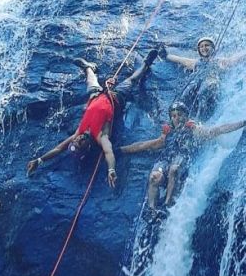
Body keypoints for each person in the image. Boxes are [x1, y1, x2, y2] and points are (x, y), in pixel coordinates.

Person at [26, 49, 159, 188]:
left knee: (91, 82)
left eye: (76, 142)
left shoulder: (79, 133)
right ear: (87, 147)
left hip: (95, 97)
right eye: (80, 144)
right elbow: (109, 153)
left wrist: (39, 160)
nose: (78, 140)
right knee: (131, 80)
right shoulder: (101, 137)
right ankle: (146, 64)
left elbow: (59, 149)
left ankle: (89, 67)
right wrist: (111, 170)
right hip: (115, 98)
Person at [116, 101, 246, 210]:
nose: (176, 118)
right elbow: (144, 145)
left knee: (174, 169)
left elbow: (218, 130)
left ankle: (167, 204)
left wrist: (244, 122)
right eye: (173, 116)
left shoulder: (193, 130)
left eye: (180, 115)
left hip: (181, 162)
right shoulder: (166, 136)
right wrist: (122, 150)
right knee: (154, 177)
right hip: (165, 161)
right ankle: (152, 210)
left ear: (186, 116)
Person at [158, 37, 246, 120]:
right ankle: (180, 119)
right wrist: (166, 55)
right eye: (201, 46)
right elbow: (180, 60)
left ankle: (198, 120)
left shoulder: (219, 61)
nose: (204, 48)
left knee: (208, 87)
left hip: (210, 86)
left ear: (213, 48)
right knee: (186, 93)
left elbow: (233, 59)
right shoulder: (196, 63)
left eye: (207, 45)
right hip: (196, 86)